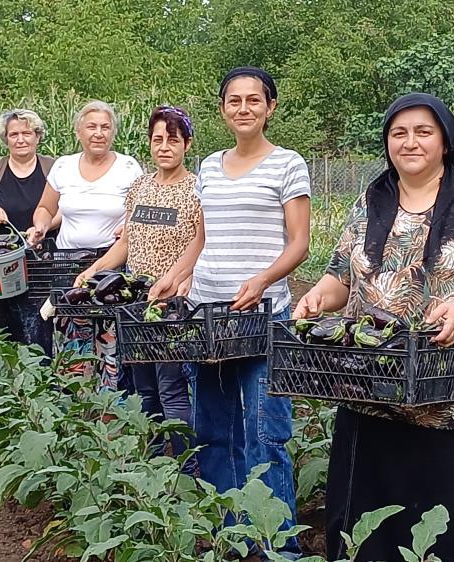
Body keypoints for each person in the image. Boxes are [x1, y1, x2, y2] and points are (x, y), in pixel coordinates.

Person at [293, 93, 454, 562]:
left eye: (423, 131)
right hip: (371, 394)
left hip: (450, 399)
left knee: (449, 533)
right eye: (398, 133)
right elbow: (341, 277)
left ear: (445, 141)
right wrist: (320, 294)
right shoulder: (370, 202)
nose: (410, 142)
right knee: (369, 529)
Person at [151, 67, 310, 559]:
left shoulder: (288, 164)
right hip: (210, 319)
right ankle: (231, 537)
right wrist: (176, 276)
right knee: (214, 432)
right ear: (223, 109)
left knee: (266, 435)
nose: (243, 109)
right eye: (234, 101)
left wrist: (263, 279)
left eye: (253, 101)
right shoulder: (211, 167)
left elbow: (299, 244)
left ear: (270, 107)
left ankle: (279, 548)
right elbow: (202, 236)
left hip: (263, 318)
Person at [76, 105, 201, 469]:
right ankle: (150, 464)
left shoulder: (196, 190)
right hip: (136, 301)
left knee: (172, 388)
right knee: (143, 388)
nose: (165, 147)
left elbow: (201, 242)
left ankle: (187, 468)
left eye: (173, 140)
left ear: (187, 145)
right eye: (157, 139)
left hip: (173, 304)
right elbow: (126, 242)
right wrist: (94, 270)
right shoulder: (139, 187)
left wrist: (180, 278)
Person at [28, 100, 143, 391]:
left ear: (113, 132)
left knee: (110, 337)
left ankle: (111, 409)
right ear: (79, 131)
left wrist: (128, 225)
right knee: (71, 334)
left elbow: (140, 212)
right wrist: (40, 225)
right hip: (68, 264)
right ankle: (75, 407)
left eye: (105, 127)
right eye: (91, 126)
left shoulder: (128, 168)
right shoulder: (63, 167)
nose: (98, 133)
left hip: (111, 267)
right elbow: (45, 206)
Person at [0, 109, 56, 352]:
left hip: (40, 260)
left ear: (37, 136)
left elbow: (67, 209)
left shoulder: (52, 169)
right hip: (0, 265)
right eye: (13, 134)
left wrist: (43, 227)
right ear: (6, 139)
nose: (20, 139)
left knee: (39, 324)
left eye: (27, 133)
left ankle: (41, 379)